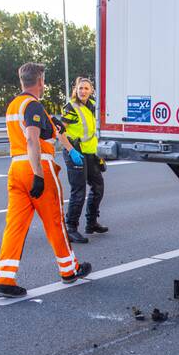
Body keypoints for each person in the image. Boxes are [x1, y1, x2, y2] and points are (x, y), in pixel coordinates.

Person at [0, 62, 92, 298]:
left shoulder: (15, 105)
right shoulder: (32, 105)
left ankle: (4, 279)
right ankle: (69, 270)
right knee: (55, 222)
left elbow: (56, 129)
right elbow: (32, 139)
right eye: (43, 81)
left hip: (16, 169)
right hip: (36, 167)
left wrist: (70, 148)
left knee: (15, 226)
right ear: (39, 82)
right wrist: (38, 174)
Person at [60, 77, 107, 243]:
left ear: (91, 90)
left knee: (98, 186)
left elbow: (94, 131)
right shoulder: (71, 107)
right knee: (79, 191)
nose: (83, 91)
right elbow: (60, 132)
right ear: (76, 89)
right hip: (75, 152)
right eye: (80, 88)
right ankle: (71, 228)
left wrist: (99, 154)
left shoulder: (93, 105)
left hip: (90, 153)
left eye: (86, 88)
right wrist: (71, 151)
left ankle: (91, 223)